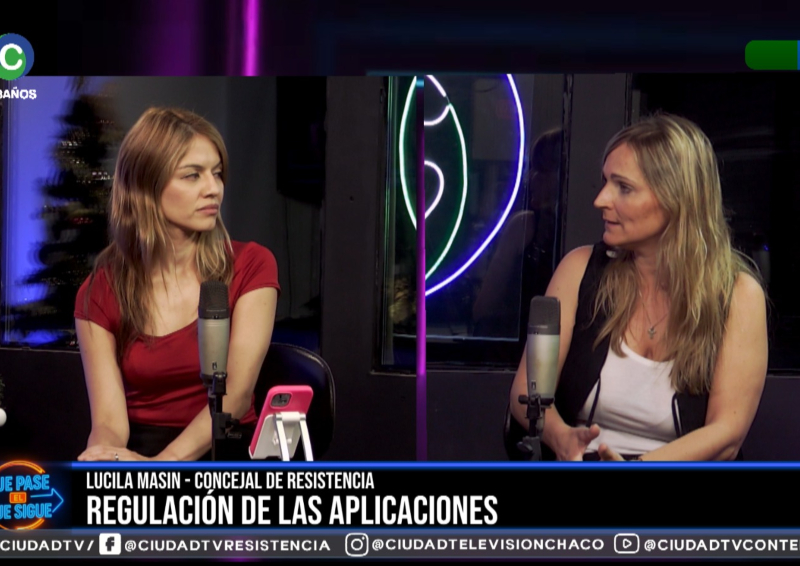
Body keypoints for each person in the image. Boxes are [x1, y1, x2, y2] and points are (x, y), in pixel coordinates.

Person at [509, 113, 768, 461]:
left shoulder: (738, 296)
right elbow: (525, 396)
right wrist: (562, 439)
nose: (601, 199)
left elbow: (727, 435)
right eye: (605, 182)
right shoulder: (578, 270)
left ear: (675, 199)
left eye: (623, 187)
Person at [74, 107, 280, 461]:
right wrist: (106, 456)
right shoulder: (100, 290)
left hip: (223, 446)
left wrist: (164, 467)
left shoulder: (251, 265)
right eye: (192, 175)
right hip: (140, 450)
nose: (213, 189)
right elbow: (108, 421)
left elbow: (236, 394)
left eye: (217, 173)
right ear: (146, 186)